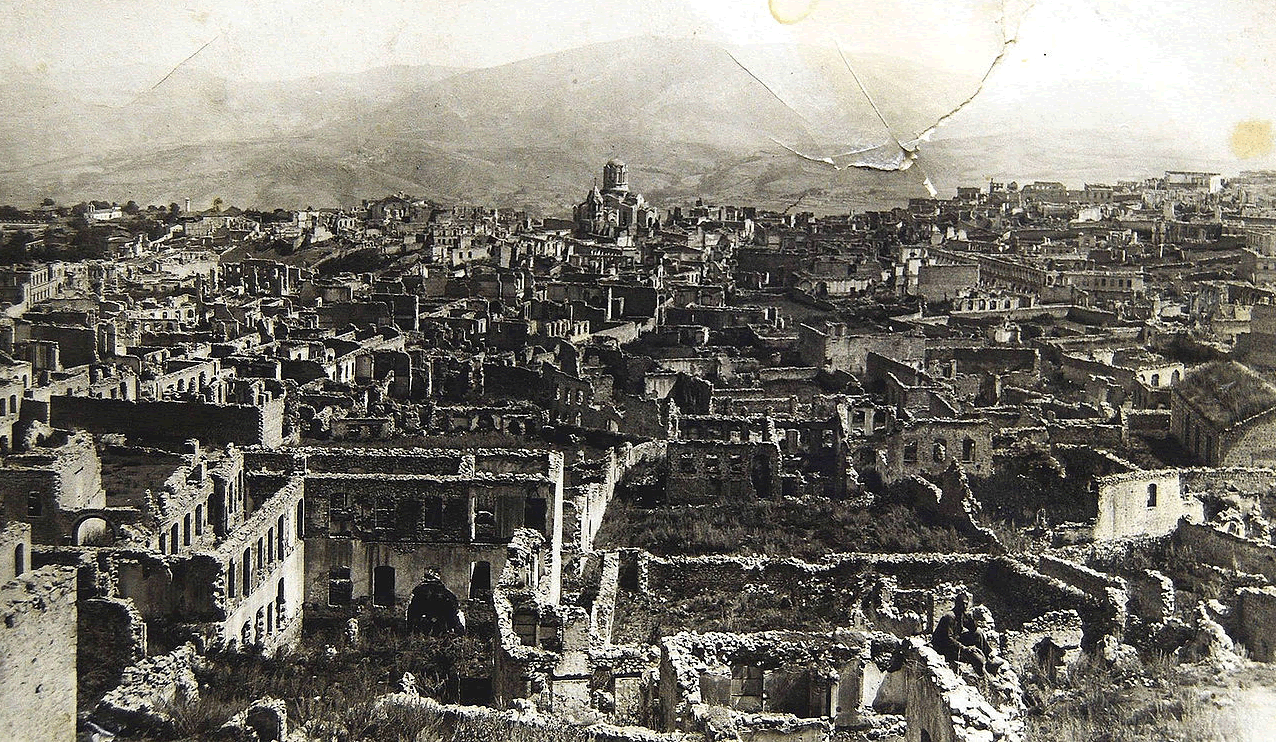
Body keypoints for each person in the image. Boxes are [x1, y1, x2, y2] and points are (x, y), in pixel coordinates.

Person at [931, 590, 993, 674]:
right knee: (976, 658)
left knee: (978, 633)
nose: (964, 606)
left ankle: (989, 658)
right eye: (962, 604)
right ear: (957, 604)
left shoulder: (961, 615)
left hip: (955, 642)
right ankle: (982, 675)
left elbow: (973, 629)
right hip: (944, 647)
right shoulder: (949, 617)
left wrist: (970, 618)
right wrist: (964, 648)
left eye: (966, 604)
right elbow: (948, 639)